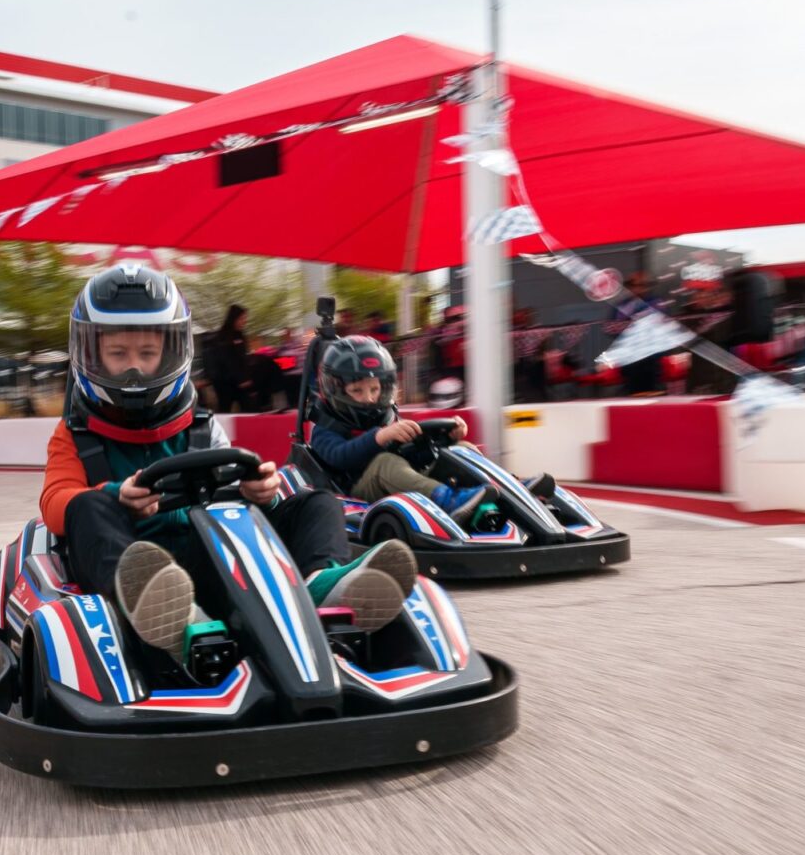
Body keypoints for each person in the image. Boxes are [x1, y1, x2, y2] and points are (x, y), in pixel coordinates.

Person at [39, 264, 417, 661]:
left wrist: (260, 494)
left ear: (171, 352)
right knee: (86, 505)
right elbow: (55, 504)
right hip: (126, 566)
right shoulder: (75, 435)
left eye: (147, 354)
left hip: (203, 563)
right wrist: (117, 495)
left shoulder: (200, 427)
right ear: (91, 355)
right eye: (118, 354)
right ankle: (170, 614)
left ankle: (322, 586)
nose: (134, 368)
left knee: (315, 501)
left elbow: (229, 496)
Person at [306, 336, 555, 523]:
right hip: (357, 491)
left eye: (375, 389)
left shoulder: (385, 415)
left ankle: (511, 487)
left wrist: (446, 438)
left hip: (398, 477)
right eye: (357, 391)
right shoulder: (326, 427)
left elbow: (409, 449)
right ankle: (447, 500)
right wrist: (379, 437)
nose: (370, 399)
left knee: (462, 449)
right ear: (336, 390)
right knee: (385, 462)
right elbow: (340, 458)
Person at [202, 304, 252, 413]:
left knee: (247, 408)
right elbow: (228, 360)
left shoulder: (240, 335)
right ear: (233, 318)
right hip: (224, 382)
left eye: (245, 318)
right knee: (226, 408)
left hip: (238, 382)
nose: (244, 321)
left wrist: (245, 377)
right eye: (242, 318)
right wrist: (241, 379)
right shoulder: (223, 337)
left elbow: (243, 358)